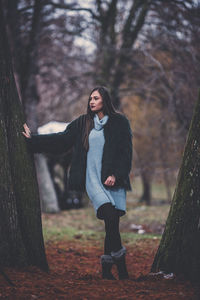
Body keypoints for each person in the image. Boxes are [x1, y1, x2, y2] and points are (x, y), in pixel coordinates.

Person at [22, 86, 133, 280]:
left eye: (96, 98)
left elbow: (126, 152)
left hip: (113, 181)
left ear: (104, 101)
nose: (91, 101)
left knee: (112, 223)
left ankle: (107, 270)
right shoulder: (83, 123)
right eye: (90, 98)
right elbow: (61, 140)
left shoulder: (119, 122)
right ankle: (122, 270)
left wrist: (116, 174)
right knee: (109, 216)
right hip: (93, 181)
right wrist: (33, 140)